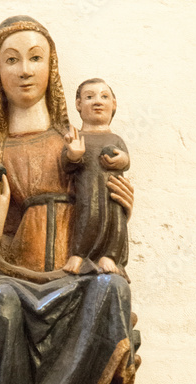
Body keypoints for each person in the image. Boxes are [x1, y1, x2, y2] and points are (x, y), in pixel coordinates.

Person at [0, 16, 137, 384]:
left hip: (75, 271)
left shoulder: (75, 140)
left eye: (35, 58)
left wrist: (120, 209)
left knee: (111, 286)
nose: (24, 70)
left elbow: (102, 204)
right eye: (12, 60)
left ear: (51, 68)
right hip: (20, 277)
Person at [62, 78, 130, 281]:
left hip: (112, 192)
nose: (97, 101)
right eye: (89, 97)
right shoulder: (77, 137)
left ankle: (109, 256)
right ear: (78, 105)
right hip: (86, 190)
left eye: (104, 96)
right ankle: (79, 255)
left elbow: (126, 161)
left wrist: (122, 159)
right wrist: (73, 154)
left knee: (115, 219)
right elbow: (65, 165)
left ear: (114, 104)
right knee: (86, 217)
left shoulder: (115, 139)